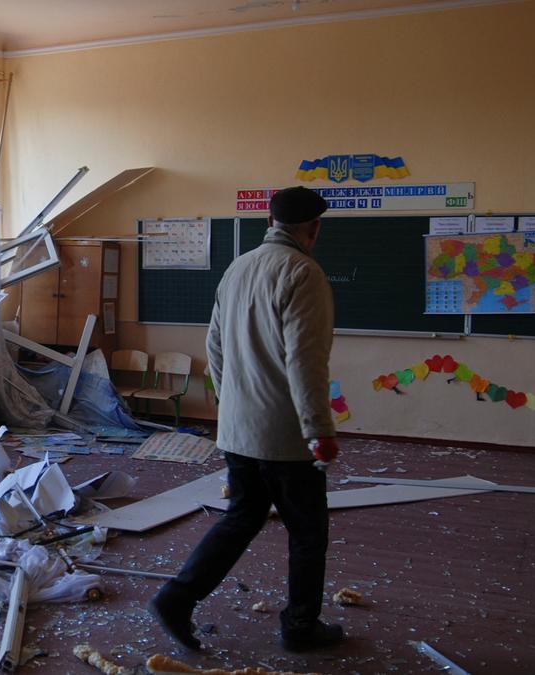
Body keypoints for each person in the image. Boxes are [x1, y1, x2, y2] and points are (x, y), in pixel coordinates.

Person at [148, 186, 343, 653]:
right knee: (308, 531)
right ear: (313, 229)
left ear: (269, 224)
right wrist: (319, 430)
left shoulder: (238, 267)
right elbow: (305, 360)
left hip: (238, 428)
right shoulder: (303, 272)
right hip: (284, 434)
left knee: (242, 517)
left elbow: (213, 345)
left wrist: (233, 401)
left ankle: (177, 598)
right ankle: (300, 628)